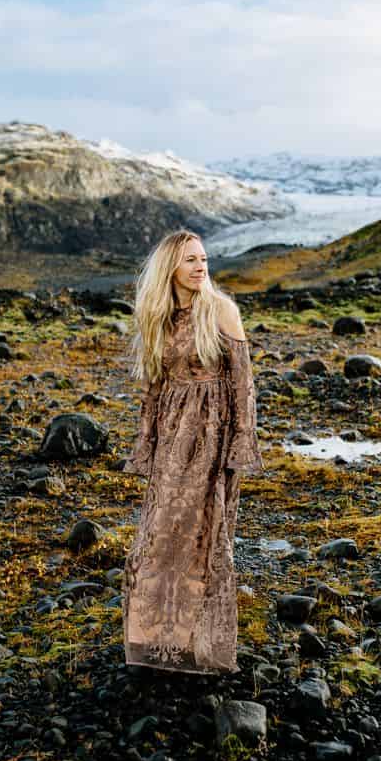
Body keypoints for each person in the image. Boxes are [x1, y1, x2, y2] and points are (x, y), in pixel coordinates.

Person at [122, 230, 263, 674]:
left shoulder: (222, 310)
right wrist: (146, 443)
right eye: (190, 261)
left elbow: (244, 386)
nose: (201, 267)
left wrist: (241, 443)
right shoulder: (157, 317)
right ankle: (155, 641)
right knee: (158, 535)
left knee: (204, 539)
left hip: (212, 439)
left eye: (204, 259)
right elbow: (152, 389)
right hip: (170, 442)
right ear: (171, 269)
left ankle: (202, 646)